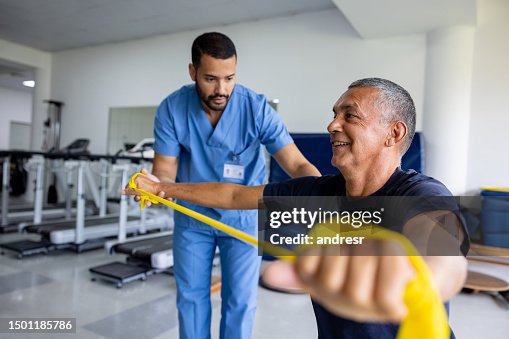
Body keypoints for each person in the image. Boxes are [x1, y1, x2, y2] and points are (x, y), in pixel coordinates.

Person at [126, 78, 469, 338]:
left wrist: (407, 273)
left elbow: (444, 260)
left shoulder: (419, 193)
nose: (333, 124)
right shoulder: (317, 195)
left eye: (350, 115)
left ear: (393, 134)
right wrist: (163, 187)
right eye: (334, 114)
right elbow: (233, 197)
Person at [149, 32, 320, 339]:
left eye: (229, 78)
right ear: (193, 72)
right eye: (211, 78)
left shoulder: (255, 108)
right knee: (191, 297)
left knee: (240, 301)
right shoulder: (173, 109)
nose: (221, 89)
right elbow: (164, 169)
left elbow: (296, 164)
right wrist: (157, 186)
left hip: (243, 218)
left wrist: (324, 192)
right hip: (192, 218)